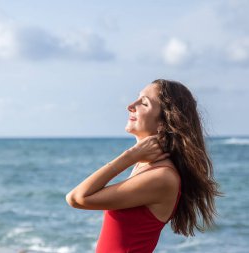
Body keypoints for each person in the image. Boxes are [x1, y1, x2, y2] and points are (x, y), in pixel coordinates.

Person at [65, 79, 221, 253]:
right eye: (137, 98)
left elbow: (77, 198)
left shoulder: (162, 177)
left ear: (164, 123)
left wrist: (129, 156)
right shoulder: (146, 165)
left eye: (144, 103)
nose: (131, 106)